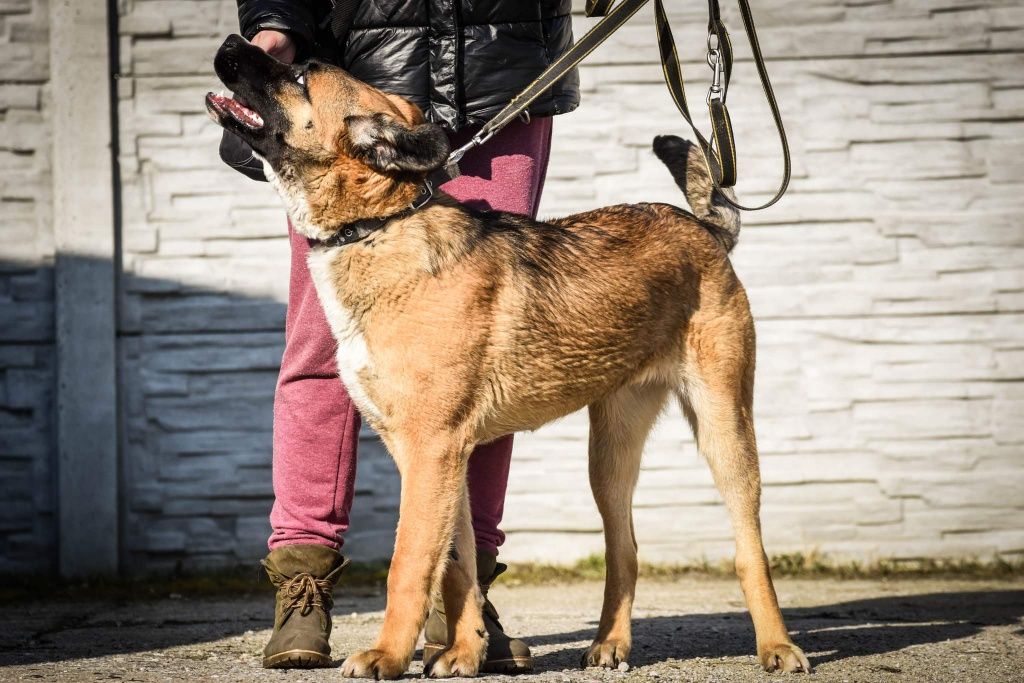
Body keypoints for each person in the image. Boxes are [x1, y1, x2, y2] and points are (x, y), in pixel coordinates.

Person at [228, 0, 580, 672]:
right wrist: (278, 15)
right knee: (320, 349)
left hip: (503, 64)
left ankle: (462, 594)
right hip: (364, 76)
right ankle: (303, 577)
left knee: (480, 358)